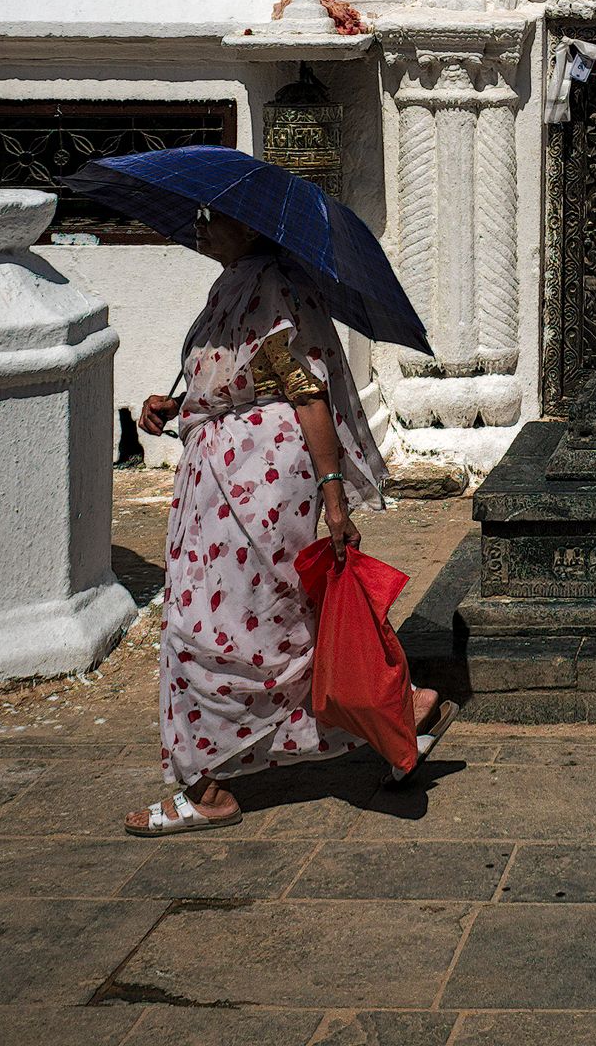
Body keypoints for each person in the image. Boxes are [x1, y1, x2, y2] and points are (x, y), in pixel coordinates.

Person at [124, 209, 445, 834]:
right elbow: (233, 381)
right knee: (270, 618)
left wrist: (335, 498)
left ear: (250, 227)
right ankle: (401, 708)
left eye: (212, 218)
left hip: (259, 484)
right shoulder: (233, 285)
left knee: (218, 625)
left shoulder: (273, 288)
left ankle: (208, 789)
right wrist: (181, 404)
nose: (199, 226)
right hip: (221, 479)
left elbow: (306, 393)